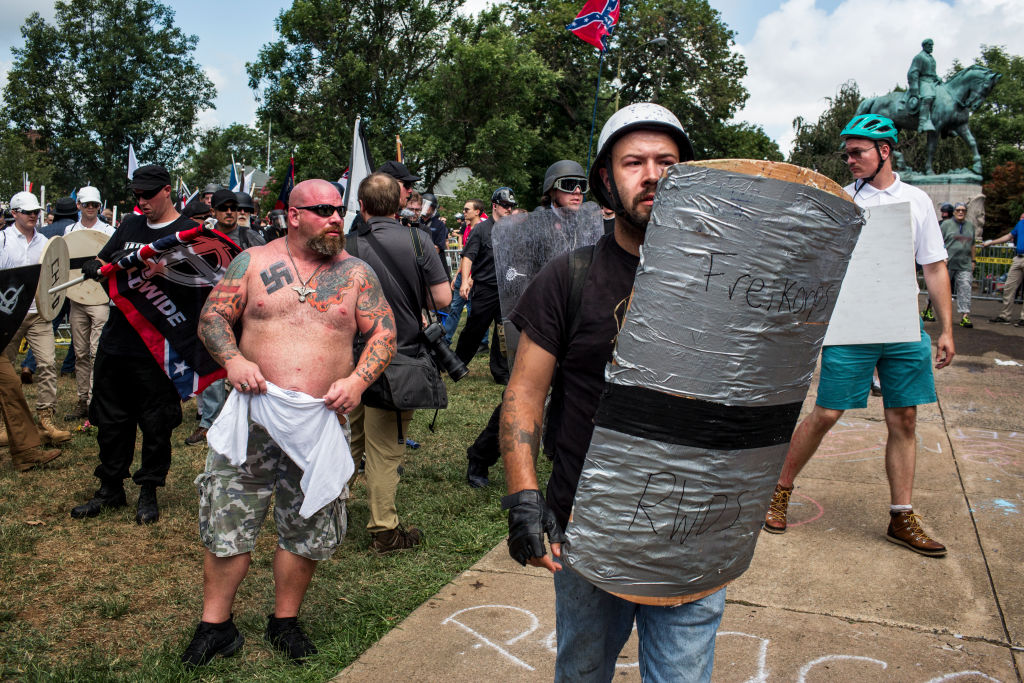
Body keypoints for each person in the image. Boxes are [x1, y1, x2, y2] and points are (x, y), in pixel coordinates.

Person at [499, 102, 725, 681]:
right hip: (586, 524)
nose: (652, 175)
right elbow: (523, 396)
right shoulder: (567, 277)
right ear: (606, 178)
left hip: (690, 530)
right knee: (582, 671)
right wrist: (525, 499)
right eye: (633, 163)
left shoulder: (726, 280)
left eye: (667, 161)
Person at [180, 179, 396, 667]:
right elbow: (214, 316)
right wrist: (234, 360)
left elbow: (383, 331)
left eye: (339, 209)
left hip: (319, 423)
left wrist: (359, 381)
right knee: (228, 520)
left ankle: (285, 621)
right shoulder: (253, 263)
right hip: (253, 418)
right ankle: (216, 626)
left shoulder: (356, 273)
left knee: (307, 525)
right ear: (293, 215)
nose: (335, 217)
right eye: (323, 209)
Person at [764, 114, 954, 557]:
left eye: (858, 152)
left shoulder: (917, 201)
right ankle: (779, 489)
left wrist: (946, 327)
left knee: (904, 418)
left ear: (884, 152)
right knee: (827, 413)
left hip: (902, 324)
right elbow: (814, 266)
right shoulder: (841, 199)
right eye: (846, 153)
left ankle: (901, 515)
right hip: (852, 324)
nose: (849, 160)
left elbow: (934, 266)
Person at [70, 165, 196, 524]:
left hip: (158, 344)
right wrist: (95, 266)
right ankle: (110, 488)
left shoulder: (186, 232)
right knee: (110, 420)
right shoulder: (129, 224)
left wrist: (164, 273)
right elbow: (104, 256)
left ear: (167, 191)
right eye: (137, 195)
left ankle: (148, 491)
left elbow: (197, 284)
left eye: (148, 195)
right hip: (118, 338)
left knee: (156, 423)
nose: (142, 201)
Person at [347, 173, 451, 553]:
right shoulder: (418, 239)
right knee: (385, 449)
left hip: (351, 358)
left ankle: (328, 512)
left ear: (361, 206)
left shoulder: (349, 244)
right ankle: (385, 531)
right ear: (401, 203)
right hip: (398, 357)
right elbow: (442, 299)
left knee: (350, 440)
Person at [185, 189, 266, 446]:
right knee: (212, 365)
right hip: (214, 311)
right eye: (224, 208)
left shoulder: (250, 236)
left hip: (247, 313)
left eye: (235, 207)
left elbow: (269, 266)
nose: (230, 212)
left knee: (248, 364)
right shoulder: (203, 237)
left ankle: (248, 421)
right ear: (214, 212)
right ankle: (209, 423)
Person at [1, 191, 70, 445]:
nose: (33, 215)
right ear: (14, 213)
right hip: (9, 316)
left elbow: (56, 276)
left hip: (40, 313)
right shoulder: (3, 241)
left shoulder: (45, 242)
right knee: (4, 370)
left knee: (48, 363)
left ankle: (46, 419)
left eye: (36, 212)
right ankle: (3, 423)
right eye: (28, 211)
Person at [63, 186, 117, 421]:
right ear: (79, 206)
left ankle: (97, 401)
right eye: (87, 205)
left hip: (100, 298)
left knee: (97, 351)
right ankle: (82, 399)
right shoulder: (69, 230)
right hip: (77, 297)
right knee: (81, 352)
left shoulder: (109, 231)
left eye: (95, 205)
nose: (92, 209)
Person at [453, 188, 517, 384]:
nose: (508, 209)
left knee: (503, 332)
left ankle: (501, 373)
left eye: (511, 206)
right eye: (505, 205)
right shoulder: (481, 229)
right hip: (485, 289)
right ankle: (456, 364)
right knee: (474, 329)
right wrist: (465, 281)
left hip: (507, 290)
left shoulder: (513, 229)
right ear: (494, 206)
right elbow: (468, 257)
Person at [442, 200, 483, 345]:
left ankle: (481, 342)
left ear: (477, 211)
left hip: (475, 276)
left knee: (474, 310)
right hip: (463, 275)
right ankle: (445, 340)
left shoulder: (482, 228)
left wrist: (472, 277)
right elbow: (465, 254)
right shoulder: (466, 227)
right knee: (454, 307)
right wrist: (458, 274)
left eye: (467, 210)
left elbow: (481, 257)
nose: (464, 212)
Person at [983, 212, 1024, 326]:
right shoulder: (1020, 224)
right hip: (1019, 257)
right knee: (1009, 287)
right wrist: (992, 242)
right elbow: (1009, 236)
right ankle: (1005, 316)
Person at [939, 203, 976, 328]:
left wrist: (973, 261)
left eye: (963, 210)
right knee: (940, 288)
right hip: (947, 262)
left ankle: (965, 316)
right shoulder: (946, 225)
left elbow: (972, 244)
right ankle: (930, 309)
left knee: (965, 287)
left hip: (964, 263)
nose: (961, 212)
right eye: (958, 210)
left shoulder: (970, 226)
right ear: (954, 212)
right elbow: (938, 241)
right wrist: (940, 257)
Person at [908, 38, 941, 132]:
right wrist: (914, 88)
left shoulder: (931, 58)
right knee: (928, 98)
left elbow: (931, 72)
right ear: (924, 46)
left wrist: (936, 77)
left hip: (932, 81)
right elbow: (913, 73)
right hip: (924, 81)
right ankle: (923, 123)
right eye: (930, 45)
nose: (931, 47)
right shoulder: (919, 57)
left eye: (932, 45)